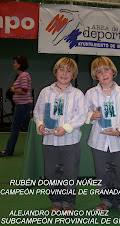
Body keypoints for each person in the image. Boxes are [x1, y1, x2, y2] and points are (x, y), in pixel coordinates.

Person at [33, 57, 87, 212]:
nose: (64, 73)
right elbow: (38, 111)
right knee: (51, 173)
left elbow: (82, 115)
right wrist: (40, 124)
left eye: (69, 71)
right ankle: (56, 201)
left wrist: (67, 127)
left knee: (70, 172)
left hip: (70, 142)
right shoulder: (45, 92)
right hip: (49, 142)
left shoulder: (77, 94)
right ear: (55, 72)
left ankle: (68, 202)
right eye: (61, 69)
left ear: (74, 75)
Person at [85, 56, 120, 217]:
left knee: (119, 172)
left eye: (106, 70)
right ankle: (105, 201)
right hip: (98, 142)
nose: (104, 74)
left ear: (113, 72)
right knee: (102, 173)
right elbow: (83, 113)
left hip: (119, 142)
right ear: (95, 76)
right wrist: (91, 115)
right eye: (99, 72)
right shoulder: (91, 93)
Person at [0, 56, 32, 157]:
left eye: (15, 63)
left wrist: (13, 90)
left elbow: (24, 90)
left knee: (15, 128)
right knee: (29, 128)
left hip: (22, 106)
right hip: (23, 105)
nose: (14, 64)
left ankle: (8, 151)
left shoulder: (23, 76)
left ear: (19, 64)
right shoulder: (22, 75)